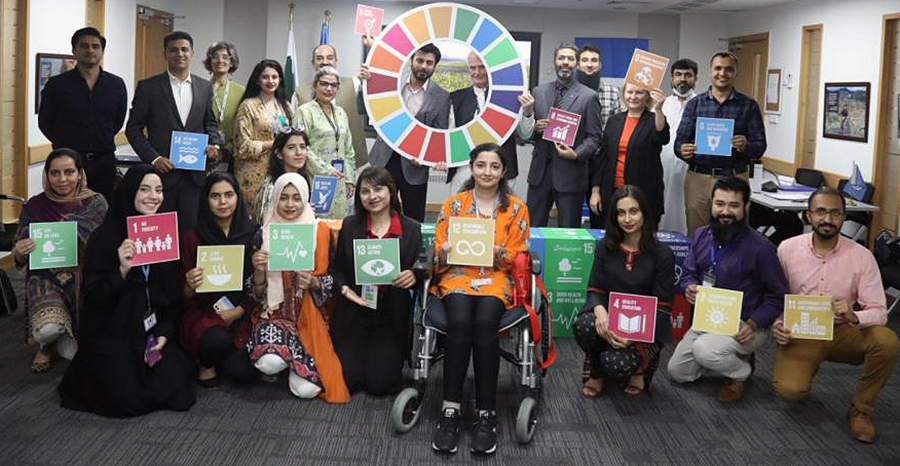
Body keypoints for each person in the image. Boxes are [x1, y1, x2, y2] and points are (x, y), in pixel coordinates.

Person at [58, 164, 195, 417]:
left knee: (179, 384)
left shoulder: (162, 234)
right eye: (144, 189)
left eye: (158, 190)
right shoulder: (106, 238)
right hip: (114, 331)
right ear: (130, 191)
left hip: (151, 329)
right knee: (123, 399)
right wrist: (120, 270)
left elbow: (172, 297)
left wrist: (164, 334)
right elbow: (96, 299)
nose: (153, 196)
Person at [773, 188, 899, 443]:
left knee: (887, 341)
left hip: (845, 331)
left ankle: (860, 409)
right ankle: (807, 369)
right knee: (791, 391)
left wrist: (855, 317)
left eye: (834, 213)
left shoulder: (862, 256)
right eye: (820, 212)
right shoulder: (786, 249)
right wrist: (778, 324)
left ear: (843, 217)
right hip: (802, 331)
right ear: (808, 216)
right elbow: (775, 298)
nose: (827, 219)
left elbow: (879, 311)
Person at [430, 143, 530, 455]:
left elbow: (518, 255)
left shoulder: (516, 209)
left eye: (494, 166)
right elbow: (435, 251)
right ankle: (450, 410)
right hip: (458, 274)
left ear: (503, 172)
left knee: (486, 323)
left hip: (495, 278)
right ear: (472, 168)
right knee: (459, 323)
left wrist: (503, 253)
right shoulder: (453, 206)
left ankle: (487, 414)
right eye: (481, 165)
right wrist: (442, 251)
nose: (487, 172)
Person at [667, 176, 788, 403]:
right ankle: (726, 358)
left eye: (734, 205)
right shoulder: (702, 235)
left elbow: (778, 297)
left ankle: (741, 373)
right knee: (678, 372)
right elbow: (689, 273)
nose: (725, 212)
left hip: (745, 325)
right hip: (708, 321)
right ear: (711, 204)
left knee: (705, 349)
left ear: (746, 207)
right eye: (720, 204)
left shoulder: (761, 248)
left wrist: (753, 324)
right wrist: (689, 286)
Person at [248, 173, 349, 402]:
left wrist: (314, 282)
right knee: (269, 363)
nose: (290, 204)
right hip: (275, 316)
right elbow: (255, 296)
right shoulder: (262, 234)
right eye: (284, 198)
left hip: (310, 316)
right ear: (275, 199)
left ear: (305, 199)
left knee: (308, 391)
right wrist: (258, 271)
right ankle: (282, 359)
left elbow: (333, 279)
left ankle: (293, 362)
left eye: (296, 198)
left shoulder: (320, 232)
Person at [12, 149, 108, 373]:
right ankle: (46, 344)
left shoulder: (96, 203)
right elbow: (19, 254)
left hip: (86, 276)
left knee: (79, 353)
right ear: (46, 175)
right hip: (46, 278)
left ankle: (63, 341)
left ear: (80, 174)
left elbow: (107, 242)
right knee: (48, 329)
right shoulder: (35, 206)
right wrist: (19, 251)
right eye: (55, 173)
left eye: (69, 172)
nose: (62, 179)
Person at [329, 167, 422, 396]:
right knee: (348, 381)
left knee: (380, 385)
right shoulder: (350, 226)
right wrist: (344, 289)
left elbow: (423, 269)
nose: (372, 196)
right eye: (365, 191)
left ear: (391, 191)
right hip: (355, 311)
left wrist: (414, 275)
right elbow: (337, 269)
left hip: (391, 315)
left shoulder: (411, 229)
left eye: (378, 189)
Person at [574, 185, 674, 397]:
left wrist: (634, 335)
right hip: (611, 319)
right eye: (621, 213)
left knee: (616, 363)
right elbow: (595, 288)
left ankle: (640, 370)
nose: (627, 219)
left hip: (645, 327)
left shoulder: (662, 255)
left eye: (634, 211)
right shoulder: (605, 247)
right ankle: (597, 371)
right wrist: (601, 313)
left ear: (645, 213)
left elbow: (663, 306)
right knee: (584, 324)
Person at [125, 31, 223, 234]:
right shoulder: (148, 87)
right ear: (165, 54)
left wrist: (214, 145)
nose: (180, 54)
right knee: (160, 234)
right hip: (161, 176)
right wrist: (154, 158)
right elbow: (133, 129)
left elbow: (210, 124)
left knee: (190, 232)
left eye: (184, 49)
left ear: (192, 53)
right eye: (174, 50)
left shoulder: (204, 87)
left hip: (194, 177)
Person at [674, 52, 766, 237]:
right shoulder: (695, 104)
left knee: (735, 234)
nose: (722, 73)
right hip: (699, 178)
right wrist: (683, 150)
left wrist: (745, 146)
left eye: (728, 69)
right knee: (697, 234)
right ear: (710, 71)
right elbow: (679, 143)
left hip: (735, 177)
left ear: (735, 73)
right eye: (718, 68)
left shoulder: (749, 105)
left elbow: (760, 146)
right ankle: (700, 267)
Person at [180, 172, 258, 388]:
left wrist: (239, 311)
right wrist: (189, 283)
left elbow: (259, 286)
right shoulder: (192, 237)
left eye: (229, 195)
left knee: (243, 374)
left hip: (244, 310)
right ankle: (207, 362)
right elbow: (185, 298)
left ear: (237, 197)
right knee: (214, 340)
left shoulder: (252, 234)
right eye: (215, 196)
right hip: (205, 310)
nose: (223, 202)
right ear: (205, 200)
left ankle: (224, 357)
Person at [359, 43, 450, 222]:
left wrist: (425, 157)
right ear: (411, 60)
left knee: (413, 219)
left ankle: (412, 251)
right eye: (420, 60)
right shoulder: (391, 84)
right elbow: (364, 109)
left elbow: (439, 135)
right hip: (384, 159)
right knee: (377, 214)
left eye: (429, 62)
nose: (423, 66)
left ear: (434, 66)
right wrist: (364, 85)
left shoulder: (442, 96)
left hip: (415, 167)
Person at [38, 27, 127, 200]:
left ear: (102, 51)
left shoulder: (116, 85)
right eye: (84, 46)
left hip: (104, 163)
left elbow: (117, 122)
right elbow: (45, 123)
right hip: (68, 164)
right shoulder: (57, 85)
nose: (90, 50)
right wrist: (65, 144)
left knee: (103, 212)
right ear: (74, 50)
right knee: (66, 211)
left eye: (95, 46)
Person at [522, 44, 601, 228]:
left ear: (577, 64)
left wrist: (576, 154)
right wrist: (535, 128)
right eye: (561, 58)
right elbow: (526, 136)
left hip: (571, 174)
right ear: (554, 62)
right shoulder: (538, 92)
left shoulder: (589, 97)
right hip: (539, 175)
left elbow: (594, 137)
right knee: (532, 229)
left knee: (568, 233)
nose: (565, 62)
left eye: (570, 59)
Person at [445, 52, 531, 195]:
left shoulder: (510, 95)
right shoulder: (456, 97)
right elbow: (450, 135)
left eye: (482, 67)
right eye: (472, 68)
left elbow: (525, 133)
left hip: (502, 172)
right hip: (464, 170)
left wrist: (528, 111)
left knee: (501, 215)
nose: (477, 72)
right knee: (461, 215)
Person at [591, 83, 669, 227]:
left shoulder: (654, 119)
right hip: (612, 192)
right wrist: (595, 191)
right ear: (624, 94)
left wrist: (658, 109)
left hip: (643, 193)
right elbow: (603, 158)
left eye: (639, 93)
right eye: (630, 92)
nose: (633, 97)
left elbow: (662, 137)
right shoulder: (614, 120)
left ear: (647, 96)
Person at [295, 66, 356, 218]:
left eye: (334, 85)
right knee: (319, 226)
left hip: (340, 180)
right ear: (315, 86)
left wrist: (350, 179)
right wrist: (326, 170)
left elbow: (348, 149)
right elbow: (300, 148)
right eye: (324, 84)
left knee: (339, 228)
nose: (329, 88)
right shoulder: (304, 111)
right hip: (317, 179)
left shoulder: (341, 112)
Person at [234, 59, 295, 211]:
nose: (270, 81)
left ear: (280, 79)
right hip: (253, 177)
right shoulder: (248, 106)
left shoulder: (285, 106)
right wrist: (275, 144)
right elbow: (242, 147)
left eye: (274, 77)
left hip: (280, 171)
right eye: (265, 77)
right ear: (257, 80)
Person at [296, 44, 368, 168]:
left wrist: (371, 47)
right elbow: (296, 138)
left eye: (329, 58)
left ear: (336, 61)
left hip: (351, 164)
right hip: (314, 168)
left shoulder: (354, 84)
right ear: (313, 63)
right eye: (319, 58)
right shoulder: (299, 93)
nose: (325, 62)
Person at [576, 44, 624, 229]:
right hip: (575, 160)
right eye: (585, 60)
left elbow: (618, 127)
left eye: (594, 60)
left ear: (600, 65)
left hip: (602, 162)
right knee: (571, 213)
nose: (589, 65)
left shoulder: (612, 92)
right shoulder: (570, 92)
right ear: (578, 65)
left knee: (601, 215)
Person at [659, 58, 698, 234]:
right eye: (678, 74)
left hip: (691, 171)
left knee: (687, 213)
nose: (683, 79)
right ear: (671, 78)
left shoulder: (703, 104)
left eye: (688, 75)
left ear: (695, 78)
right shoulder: (661, 105)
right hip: (662, 171)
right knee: (662, 213)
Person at [253, 129, 312, 223]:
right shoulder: (270, 186)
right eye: (291, 147)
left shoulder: (304, 179)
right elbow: (262, 222)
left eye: (302, 147)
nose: (299, 152)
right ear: (279, 154)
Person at [203, 41, 244, 172]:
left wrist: (225, 151)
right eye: (215, 56)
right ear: (210, 61)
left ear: (232, 62)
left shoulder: (242, 91)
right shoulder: (200, 89)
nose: (220, 60)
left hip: (234, 155)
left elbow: (244, 126)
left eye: (225, 57)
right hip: (205, 154)